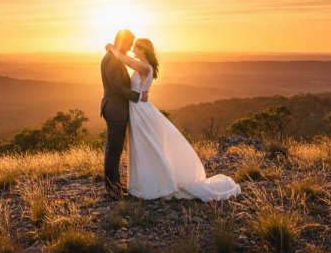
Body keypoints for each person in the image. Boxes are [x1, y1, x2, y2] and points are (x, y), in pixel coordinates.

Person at [105, 37, 241, 201]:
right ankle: (143, 184)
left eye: (136, 48)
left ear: (143, 50)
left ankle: (159, 184)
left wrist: (112, 48)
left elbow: (124, 59)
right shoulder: (144, 65)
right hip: (137, 110)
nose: (133, 50)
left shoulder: (144, 66)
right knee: (142, 148)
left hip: (141, 112)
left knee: (147, 148)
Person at [99, 29, 146, 199]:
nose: (131, 46)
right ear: (122, 41)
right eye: (129, 43)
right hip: (115, 110)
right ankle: (112, 189)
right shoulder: (111, 60)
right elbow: (118, 87)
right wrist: (138, 96)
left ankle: (115, 186)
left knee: (115, 149)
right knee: (114, 149)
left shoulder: (114, 57)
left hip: (117, 109)